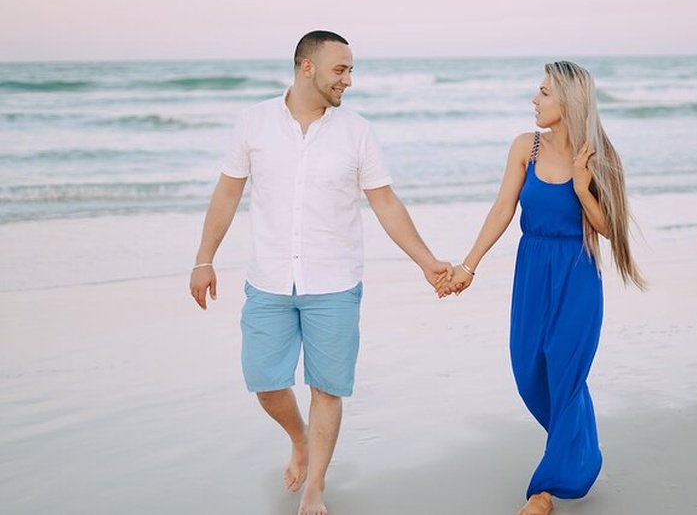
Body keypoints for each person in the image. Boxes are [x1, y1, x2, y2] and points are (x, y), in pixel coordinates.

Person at [189, 30, 452, 515]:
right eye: (340, 69)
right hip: (268, 279)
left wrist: (427, 261)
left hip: (334, 282)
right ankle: (300, 437)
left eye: (350, 70)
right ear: (306, 67)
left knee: (327, 388)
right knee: (265, 382)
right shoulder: (253, 123)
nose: (348, 80)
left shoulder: (358, 132)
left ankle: (316, 485)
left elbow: (385, 203)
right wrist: (204, 258)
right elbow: (227, 194)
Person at [438, 61, 646, 515]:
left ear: (569, 100)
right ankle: (582, 453)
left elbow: (610, 230)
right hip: (532, 270)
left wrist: (583, 188)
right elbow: (502, 209)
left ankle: (545, 490)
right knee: (529, 369)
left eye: (545, 92)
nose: (535, 100)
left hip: (577, 275)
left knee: (566, 375)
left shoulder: (600, 155)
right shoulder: (525, 146)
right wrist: (469, 266)